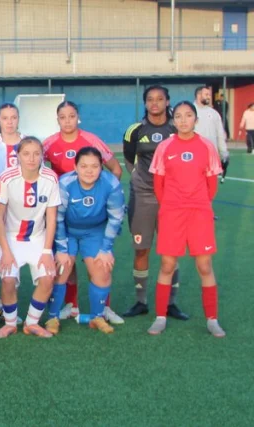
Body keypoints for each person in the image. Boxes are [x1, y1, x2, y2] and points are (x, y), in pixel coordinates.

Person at [147, 101, 224, 337]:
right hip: (172, 213)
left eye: (188, 115)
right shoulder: (165, 147)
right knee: (168, 265)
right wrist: (171, 205)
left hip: (199, 212)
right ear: (173, 120)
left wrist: (198, 204)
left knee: (204, 265)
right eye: (178, 116)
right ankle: (160, 317)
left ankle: (212, 319)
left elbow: (211, 185)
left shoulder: (206, 146)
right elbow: (158, 184)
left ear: (195, 120)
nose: (183, 120)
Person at [42, 100, 123, 322]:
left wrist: (100, 197)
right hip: (64, 215)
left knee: (98, 264)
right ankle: (71, 306)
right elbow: (39, 173)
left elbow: (115, 169)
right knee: (65, 265)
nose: (67, 121)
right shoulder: (48, 144)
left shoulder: (91, 141)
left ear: (78, 117)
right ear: (57, 119)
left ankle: (102, 309)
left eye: (71, 116)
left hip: (91, 216)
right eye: (63, 117)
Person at [121, 85, 189, 320]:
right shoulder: (135, 130)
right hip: (143, 196)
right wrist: (140, 179)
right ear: (145, 103)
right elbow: (129, 159)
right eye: (150, 99)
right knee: (142, 249)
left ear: (168, 102)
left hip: (172, 197)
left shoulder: (176, 128)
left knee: (171, 251)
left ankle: (171, 303)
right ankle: (141, 302)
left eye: (160, 99)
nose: (155, 103)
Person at [49, 147, 125, 335]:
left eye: (94, 166)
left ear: (101, 167)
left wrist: (106, 249)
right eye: (83, 166)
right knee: (60, 268)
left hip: (95, 231)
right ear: (75, 167)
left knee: (103, 269)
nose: (89, 171)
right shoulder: (65, 183)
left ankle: (97, 316)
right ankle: (52, 316)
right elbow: (57, 218)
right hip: (67, 231)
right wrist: (61, 249)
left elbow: (115, 218)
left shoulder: (111, 183)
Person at [0, 137, 60, 339]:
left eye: (36, 153)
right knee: (8, 280)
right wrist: (5, 250)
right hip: (11, 238)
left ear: (42, 156)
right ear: (18, 156)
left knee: (48, 278)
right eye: (26, 153)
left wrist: (47, 251)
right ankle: (10, 323)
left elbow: (51, 216)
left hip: (37, 238)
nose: (31, 158)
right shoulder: (7, 177)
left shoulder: (50, 178)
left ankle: (31, 322)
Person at [194, 86, 229, 183]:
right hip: (194, 156)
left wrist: (224, 153)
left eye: (209, 95)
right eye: (206, 94)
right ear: (198, 95)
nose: (209, 97)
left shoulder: (214, 114)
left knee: (209, 187)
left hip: (211, 157)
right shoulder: (189, 111)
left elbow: (220, 135)